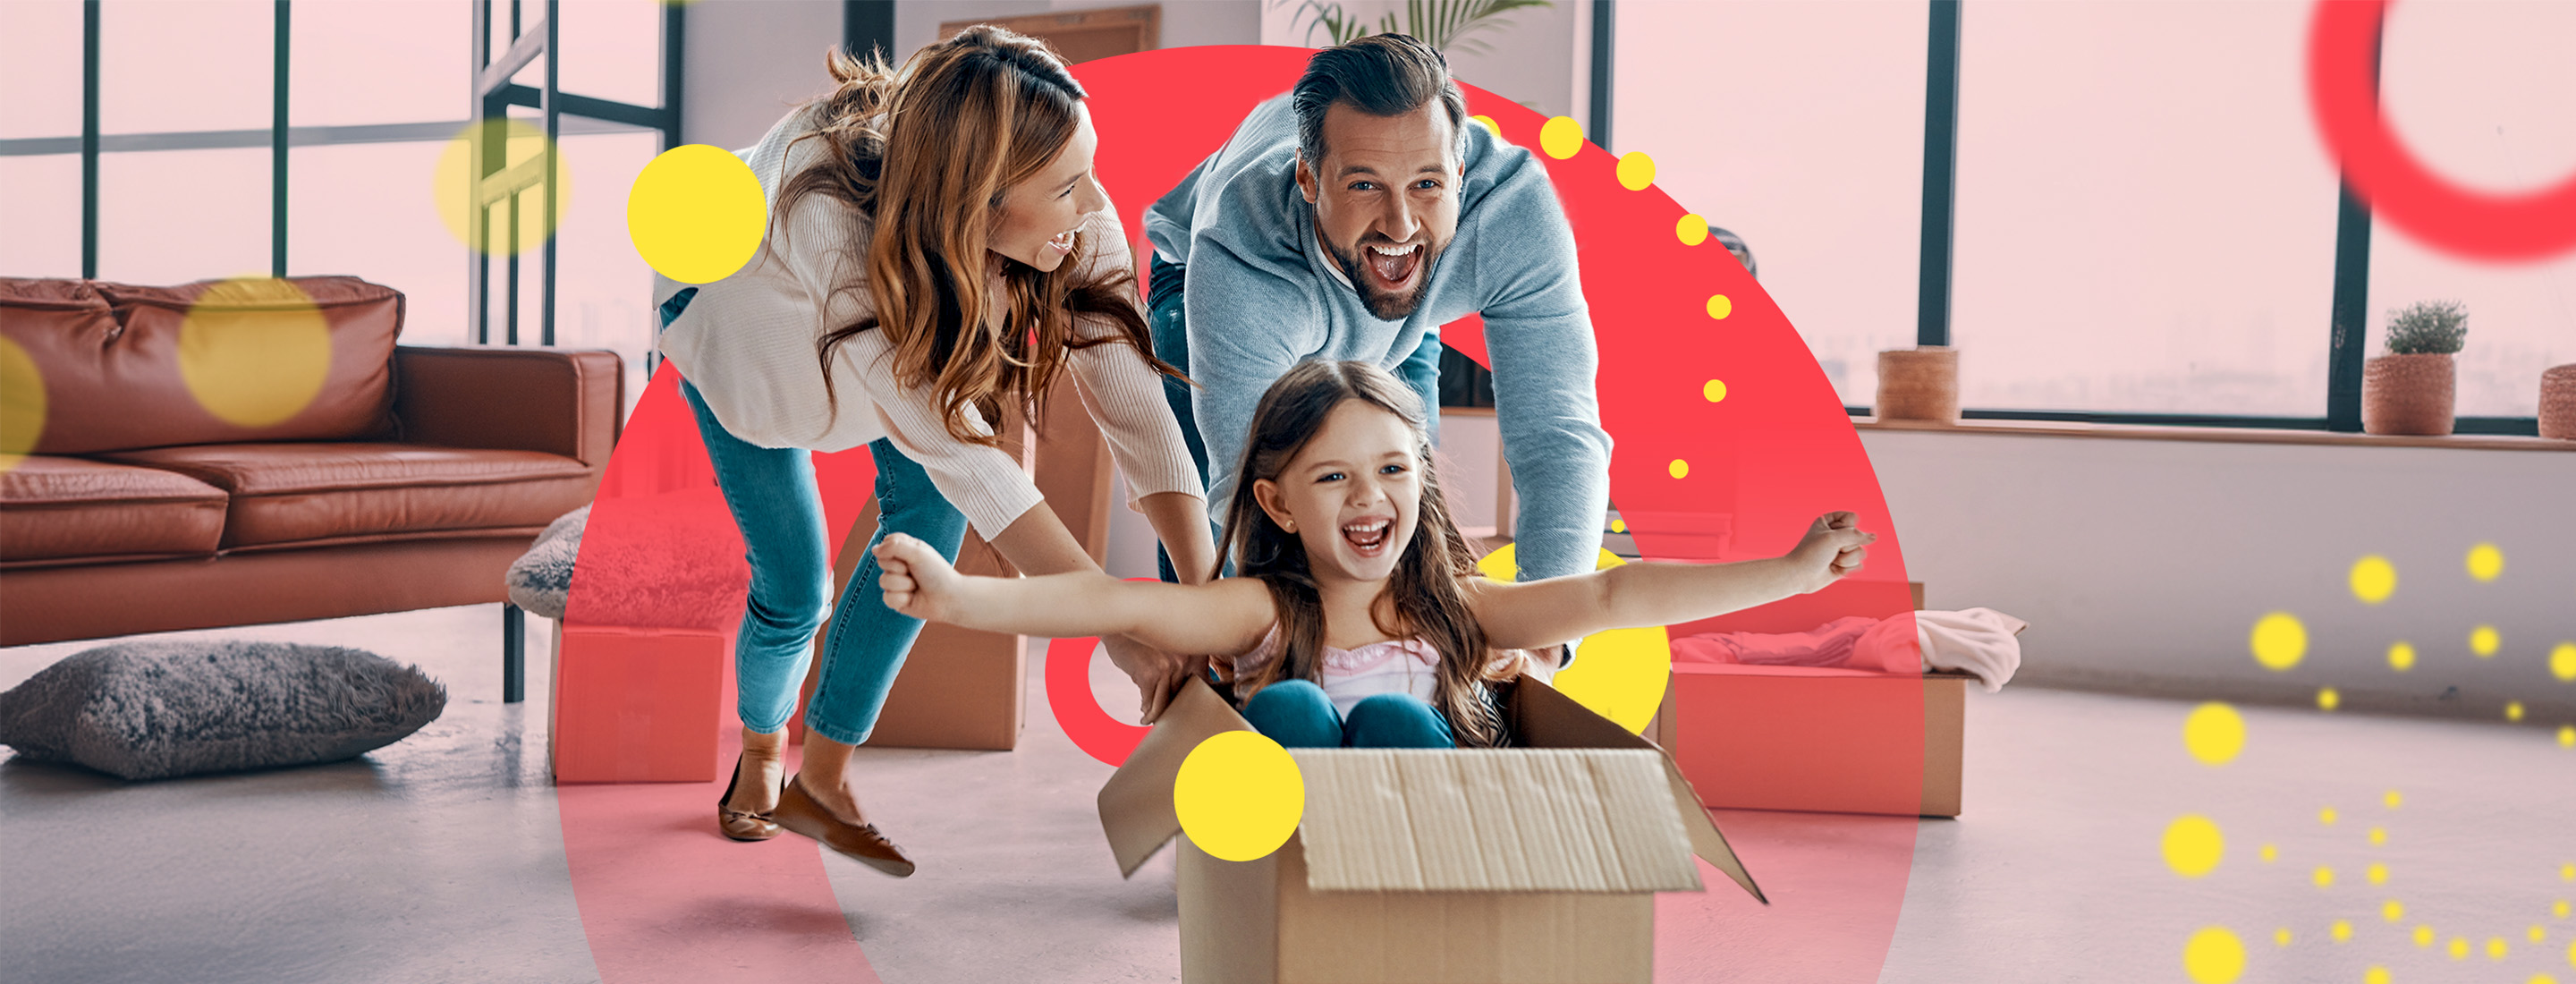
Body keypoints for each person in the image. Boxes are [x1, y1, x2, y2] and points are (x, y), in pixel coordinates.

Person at [651, 28, 1217, 876]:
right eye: (1068, 188)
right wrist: (1120, 626)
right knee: (796, 589)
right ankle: (764, 748)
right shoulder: (829, 218)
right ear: (981, 203)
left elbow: (1136, 408)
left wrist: (1204, 606)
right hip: (752, 368)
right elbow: (971, 456)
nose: (1096, 205)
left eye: (1089, 170)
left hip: (895, 366)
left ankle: (827, 781)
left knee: (930, 531)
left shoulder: (1070, 221)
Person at [869, 361, 1876, 749]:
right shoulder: (1261, 606)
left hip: (1423, 850)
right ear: (1276, 501)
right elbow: (1119, 608)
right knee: (1293, 706)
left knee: (1396, 711)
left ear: (1421, 482)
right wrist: (960, 598)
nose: (1370, 498)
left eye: (1393, 470)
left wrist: (1788, 575)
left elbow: (1614, 592)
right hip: (1290, 857)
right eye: (1334, 477)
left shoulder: (1459, 611)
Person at [1140, 35, 1614, 615]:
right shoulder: (1242, 251)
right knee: (1215, 542)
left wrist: (1544, 632)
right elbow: (1246, 485)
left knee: (1403, 498)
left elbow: (1557, 437)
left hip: (1396, 306)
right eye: (1364, 185)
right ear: (1310, 180)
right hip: (1202, 278)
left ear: (1460, 174)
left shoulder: (1513, 217)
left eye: (1428, 185)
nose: (1399, 222)